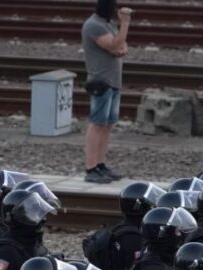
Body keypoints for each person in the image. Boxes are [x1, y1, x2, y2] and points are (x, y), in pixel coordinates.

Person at [82, 0, 131, 183]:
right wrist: (124, 24)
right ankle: (91, 167)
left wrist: (119, 45)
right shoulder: (93, 25)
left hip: (113, 82)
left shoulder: (107, 25)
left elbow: (121, 45)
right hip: (100, 82)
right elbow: (115, 45)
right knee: (96, 124)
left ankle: (100, 165)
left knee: (107, 125)